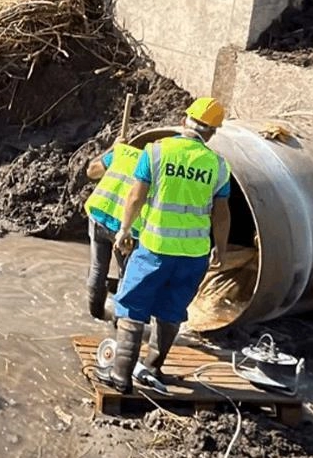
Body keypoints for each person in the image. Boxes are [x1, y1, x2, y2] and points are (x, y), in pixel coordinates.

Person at [96, 98, 232, 396]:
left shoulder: (155, 152)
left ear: (185, 121)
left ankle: (120, 376)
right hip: (194, 255)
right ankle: (154, 366)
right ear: (211, 133)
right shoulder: (218, 165)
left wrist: (124, 230)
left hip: (155, 248)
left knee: (132, 305)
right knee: (171, 310)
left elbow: (135, 197)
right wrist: (219, 248)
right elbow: (221, 214)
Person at [81, 136, 145, 322]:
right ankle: (119, 321)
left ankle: (96, 315)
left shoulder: (122, 152)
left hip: (99, 214)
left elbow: (92, 171)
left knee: (97, 268)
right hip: (126, 226)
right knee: (126, 274)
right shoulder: (155, 162)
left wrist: (113, 148)